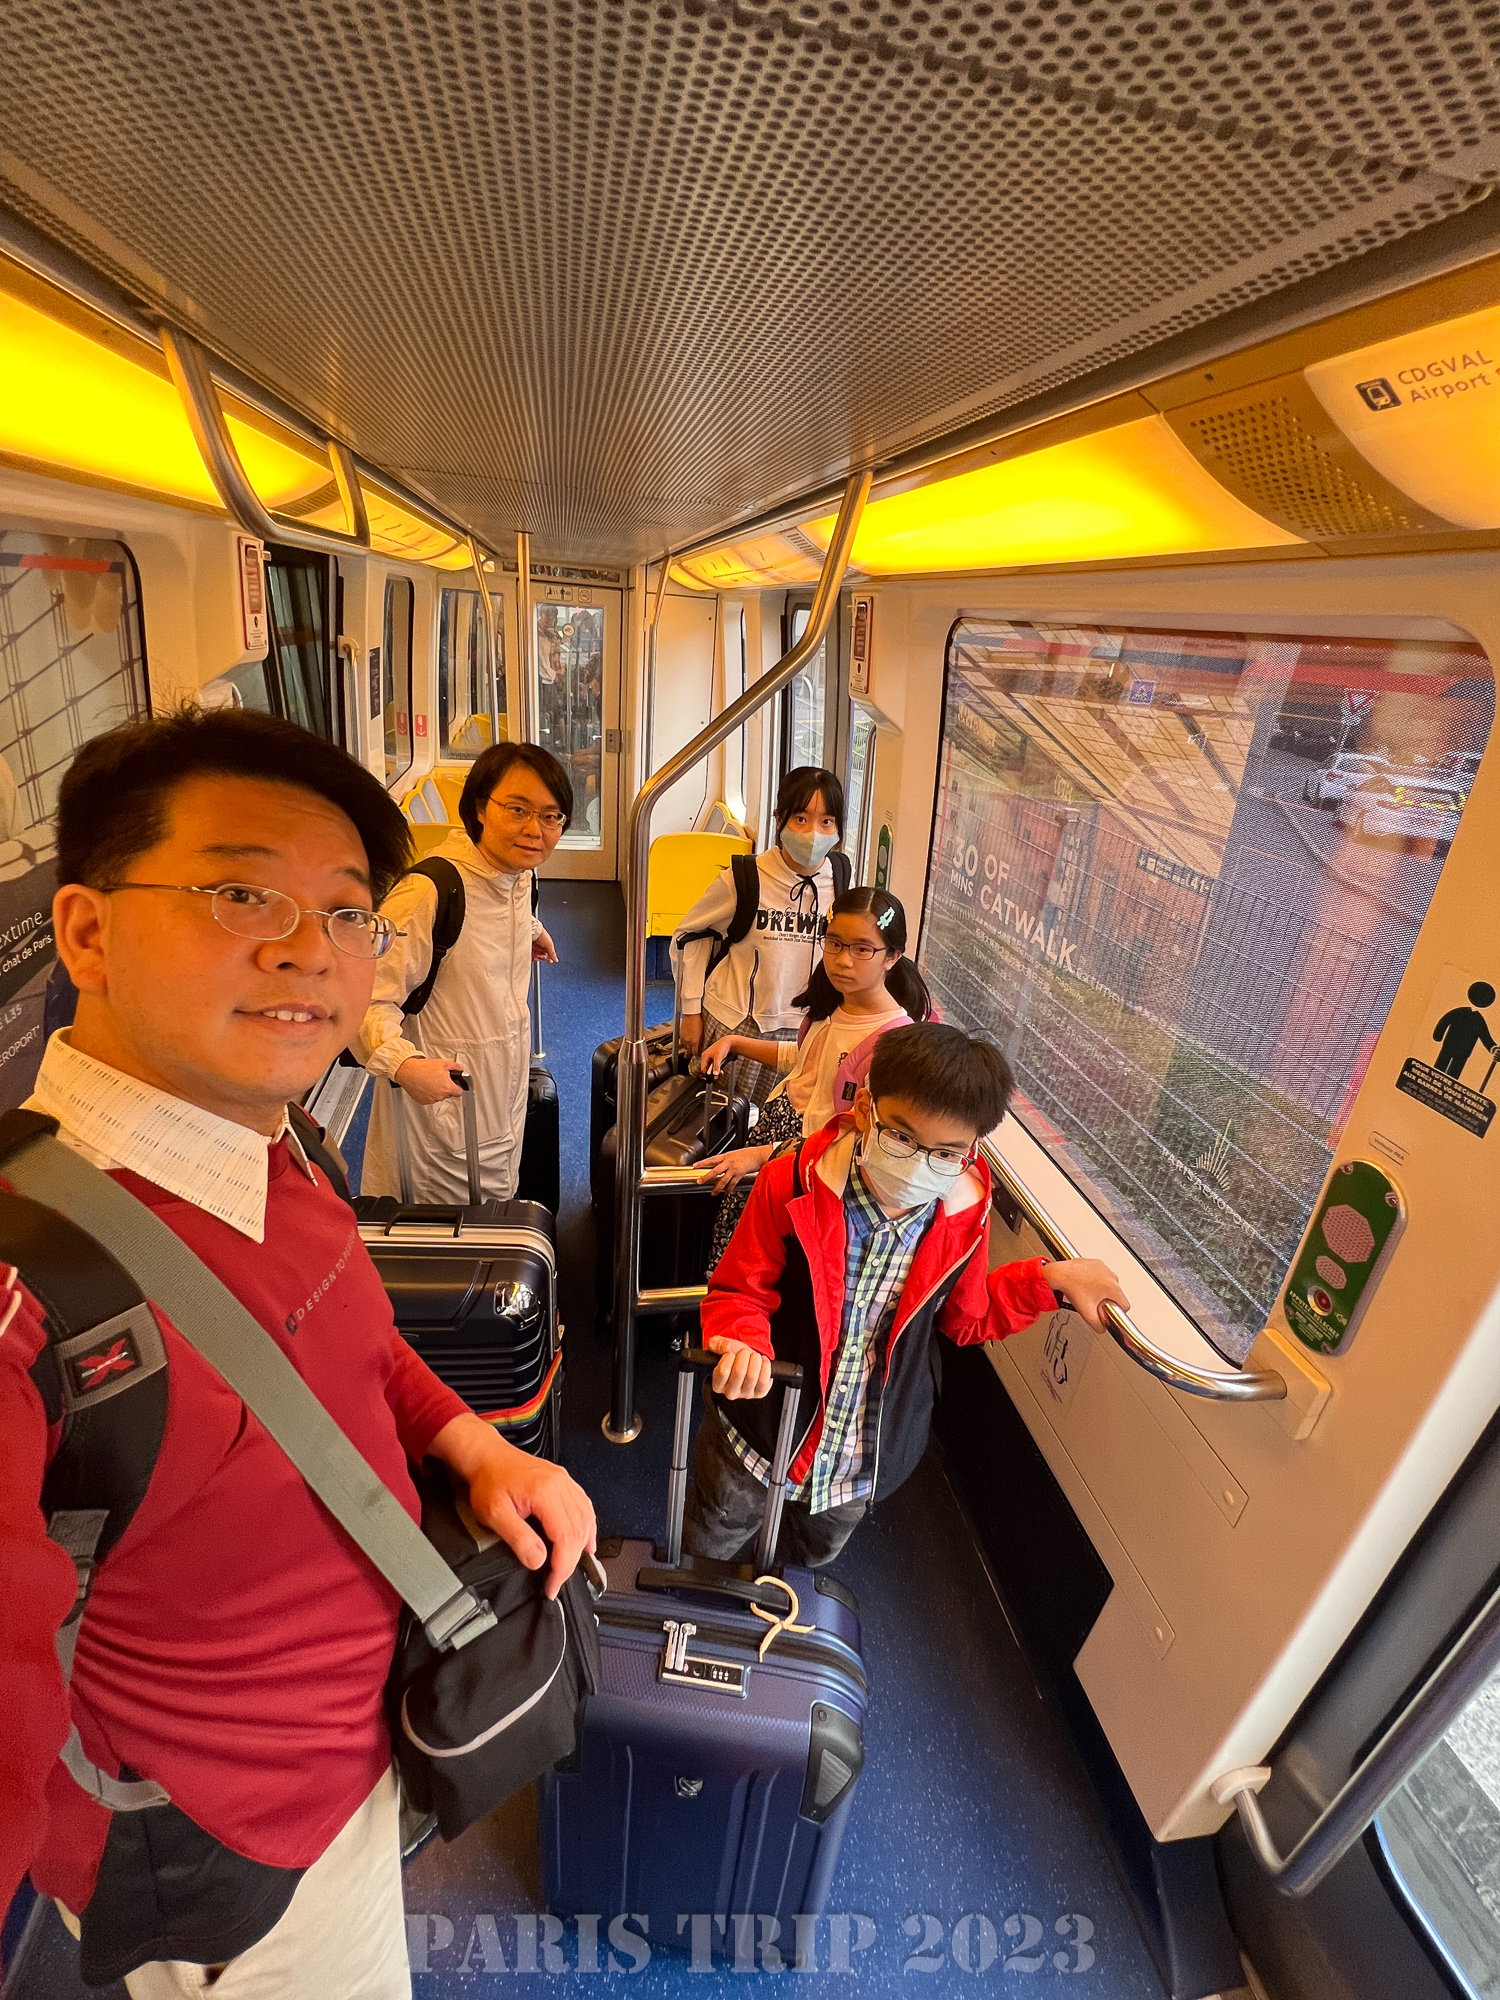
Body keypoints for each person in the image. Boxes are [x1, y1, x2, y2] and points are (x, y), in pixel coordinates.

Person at [0, 708, 596, 1998]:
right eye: (239, 893)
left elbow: (354, 1344)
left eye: (345, 912)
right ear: (87, 931)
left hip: (364, 1739)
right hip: (230, 1856)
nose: (310, 949)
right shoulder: (29, 1292)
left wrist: (473, 1440)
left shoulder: (278, 1140)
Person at [683, 1021, 1127, 1568]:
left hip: (860, 1460)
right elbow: (740, 1288)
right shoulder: (793, 1182)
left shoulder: (962, 1216)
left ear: (972, 1149)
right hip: (761, 1429)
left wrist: (1049, 1280)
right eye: (901, 1137)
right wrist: (743, 1341)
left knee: (804, 1568)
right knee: (713, 1538)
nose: (919, 1163)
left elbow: (967, 1317)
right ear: (865, 1109)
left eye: (946, 1152)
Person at [356, 742, 567, 1204]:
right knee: (440, 1224)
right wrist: (403, 1064)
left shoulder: (517, 876)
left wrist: (530, 928)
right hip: (441, 1100)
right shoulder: (427, 893)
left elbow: (495, 906)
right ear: (480, 808)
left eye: (551, 816)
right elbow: (363, 997)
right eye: (517, 810)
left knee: (495, 1200)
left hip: (502, 1083)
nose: (535, 830)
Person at [698, 886, 930, 1267]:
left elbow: (851, 1140)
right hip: (774, 1141)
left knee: (765, 1264)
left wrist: (760, 1156)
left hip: (805, 1167)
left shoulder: (893, 1043)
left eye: (862, 949)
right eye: (834, 944)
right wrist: (736, 1042)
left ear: (892, 956)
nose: (843, 960)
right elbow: (807, 1061)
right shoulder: (835, 1003)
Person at [672, 766, 848, 1103]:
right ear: (779, 820)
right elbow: (691, 936)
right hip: (739, 1022)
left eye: (826, 821)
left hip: (805, 1029)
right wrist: (690, 1010)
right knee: (720, 1118)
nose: (814, 833)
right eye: (801, 819)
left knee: (776, 1122)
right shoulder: (745, 877)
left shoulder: (840, 878)